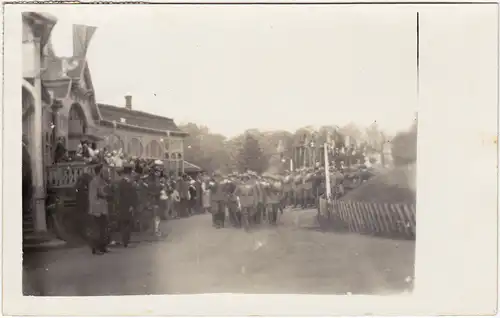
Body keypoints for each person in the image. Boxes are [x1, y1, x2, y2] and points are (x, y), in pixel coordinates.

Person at [87, 164, 111, 255]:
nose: (105, 172)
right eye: (104, 171)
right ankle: (95, 248)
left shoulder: (103, 182)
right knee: (96, 230)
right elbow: (92, 197)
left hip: (103, 209)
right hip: (96, 210)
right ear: (100, 171)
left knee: (103, 229)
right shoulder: (94, 182)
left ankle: (102, 247)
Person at [116, 164, 138, 247]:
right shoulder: (126, 183)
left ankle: (125, 240)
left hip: (123, 205)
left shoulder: (123, 182)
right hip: (126, 206)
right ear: (128, 174)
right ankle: (125, 240)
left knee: (125, 223)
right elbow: (128, 195)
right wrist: (131, 205)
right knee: (127, 223)